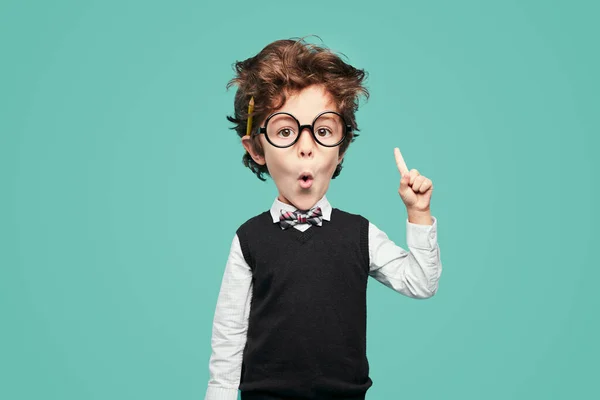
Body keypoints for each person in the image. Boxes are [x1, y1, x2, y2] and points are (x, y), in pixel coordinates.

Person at [204, 37, 442, 400]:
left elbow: (421, 283)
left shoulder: (360, 234)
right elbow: (229, 334)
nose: (306, 145)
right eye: (285, 130)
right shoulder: (249, 239)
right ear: (256, 149)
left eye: (323, 130)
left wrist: (418, 213)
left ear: (342, 149)